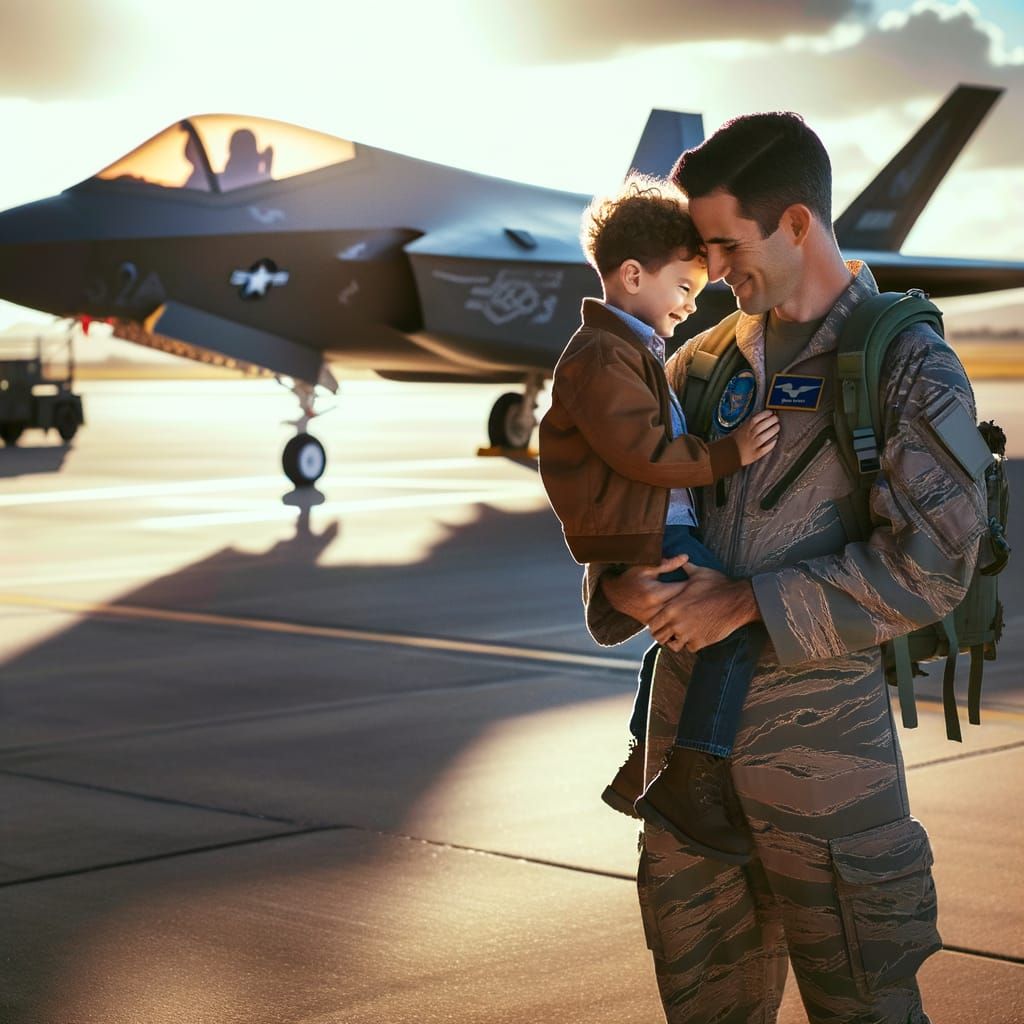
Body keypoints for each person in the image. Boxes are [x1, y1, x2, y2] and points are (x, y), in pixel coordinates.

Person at [583, 113, 987, 1024]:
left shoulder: (906, 365)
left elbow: (933, 562)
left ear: (797, 224)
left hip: (826, 782)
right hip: (687, 779)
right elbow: (626, 507)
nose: (714, 271)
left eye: (728, 244)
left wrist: (746, 603)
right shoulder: (697, 365)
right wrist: (619, 584)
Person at [538, 175, 780, 862]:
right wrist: (727, 454)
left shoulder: (630, 351)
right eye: (682, 287)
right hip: (653, 532)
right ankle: (692, 776)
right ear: (634, 274)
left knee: (669, 642)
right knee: (730, 628)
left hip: (653, 526)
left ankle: (640, 760)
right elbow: (642, 451)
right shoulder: (602, 356)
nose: (690, 304)